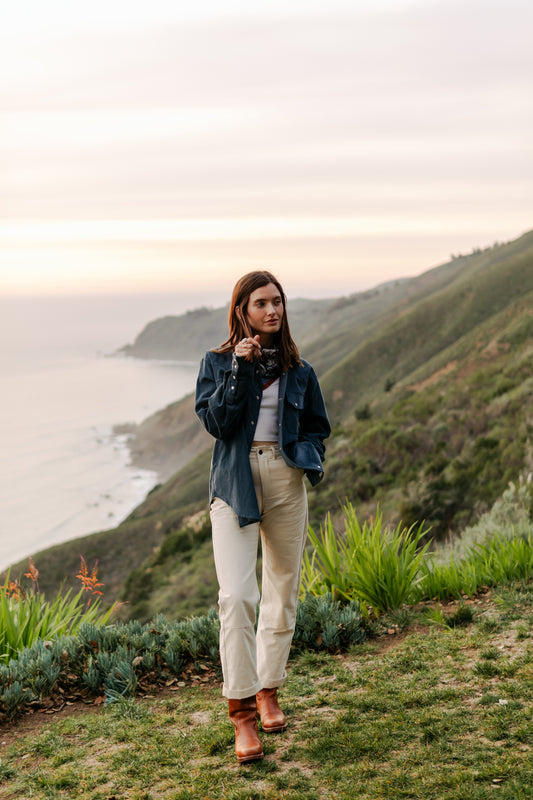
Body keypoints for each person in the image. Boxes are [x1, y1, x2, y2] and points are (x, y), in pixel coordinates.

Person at [195, 270, 330, 763]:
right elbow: (217, 422)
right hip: (235, 481)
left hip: (285, 478)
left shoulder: (300, 370)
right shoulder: (217, 363)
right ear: (242, 311)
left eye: (277, 301)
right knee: (236, 596)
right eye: (261, 303)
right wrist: (239, 368)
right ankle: (242, 713)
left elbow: (317, 426)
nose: (272, 310)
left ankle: (268, 687)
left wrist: (306, 457)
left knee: (282, 588)